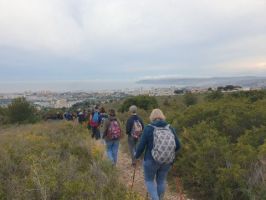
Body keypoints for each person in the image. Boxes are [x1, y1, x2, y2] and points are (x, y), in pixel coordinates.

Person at [134, 109, 181, 200]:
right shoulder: (170, 127)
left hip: (151, 160)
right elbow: (178, 145)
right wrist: (168, 153)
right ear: (162, 116)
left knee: (149, 180)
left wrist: (136, 156)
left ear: (152, 117)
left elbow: (141, 146)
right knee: (161, 181)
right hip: (167, 161)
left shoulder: (148, 128)